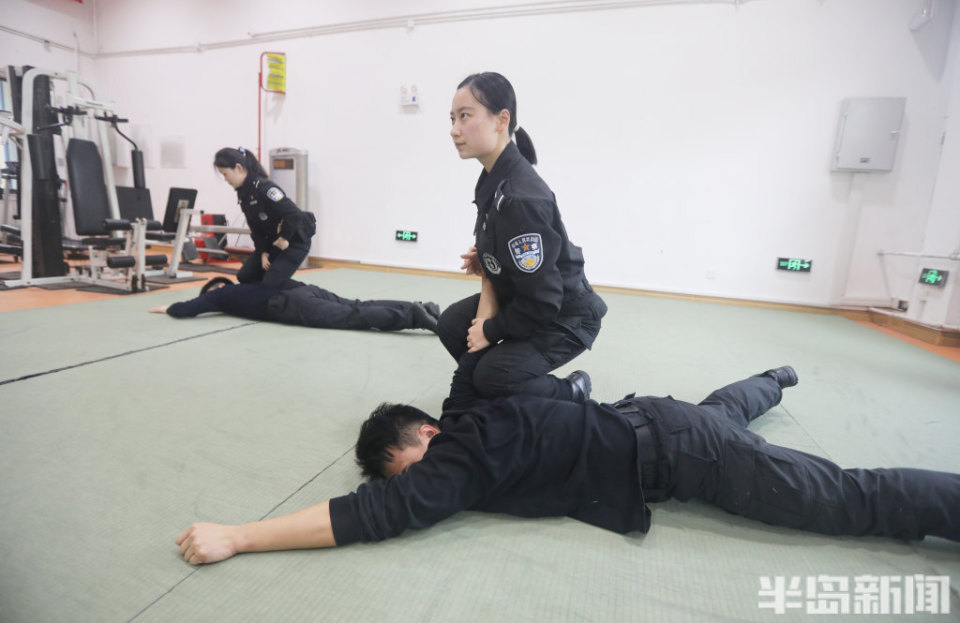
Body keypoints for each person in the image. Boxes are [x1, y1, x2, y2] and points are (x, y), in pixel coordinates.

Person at [175, 362, 960, 564]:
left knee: (848, 497)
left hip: (685, 454)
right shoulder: (475, 416)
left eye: (404, 468)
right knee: (727, 414)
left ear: (421, 441)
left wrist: (240, 535)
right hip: (661, 424)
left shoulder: (462, 450)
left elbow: (378, 515)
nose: (415, 486)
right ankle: (773, 378)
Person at [437, 72, 607, 403]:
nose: (454, 129)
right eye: (453, 118)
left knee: (493, 376)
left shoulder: (521, 197)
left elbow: (544, 301)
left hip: (566, 314)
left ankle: (571, 391)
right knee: (452, 324)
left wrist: (490, 330)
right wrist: (488, 254)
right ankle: (503, 397)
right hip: (524, 295)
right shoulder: (493, 176)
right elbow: (509, 239)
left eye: (465, 116)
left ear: (502, 120)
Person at [149, 277, 441, 333]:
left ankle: (413, 317)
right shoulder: (247, 284)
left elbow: (188, 308)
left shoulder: (218, 296)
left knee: (352, 316)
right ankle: (419, 305)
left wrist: (167, 308)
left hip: (289, 304)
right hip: (301, 287)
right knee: (357, 304)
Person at [214, 147, 316, 289]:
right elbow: (254, 226)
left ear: (238, 168)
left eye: (225, 174)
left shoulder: (265, 187)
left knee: (271, 283)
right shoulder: (243, 193)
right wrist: (263, 251)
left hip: (294, 239)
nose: (225, 179)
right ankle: (264, 294)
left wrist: (284, 238)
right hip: (274, 241)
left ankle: (308, 294)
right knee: (245, 276)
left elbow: (294, 214)